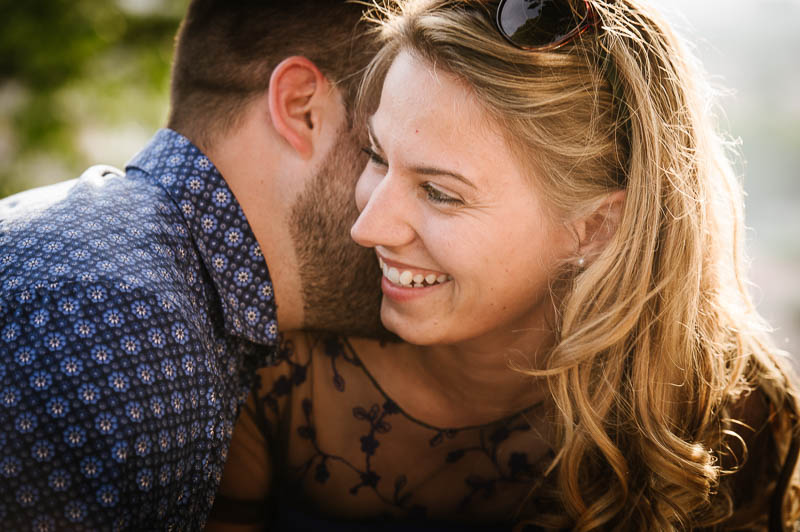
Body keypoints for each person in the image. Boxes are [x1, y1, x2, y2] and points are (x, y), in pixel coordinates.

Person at [212, 0, 800, 530]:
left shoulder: (731, 417)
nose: (367, 228)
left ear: (596, 227)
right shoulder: (278, 369)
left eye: (440, 193)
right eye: (376, 156)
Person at [0, 1, 385, 530]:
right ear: (302, 109)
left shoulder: (131, 272)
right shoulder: (129, 324)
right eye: (383, 150)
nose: (404, 212)